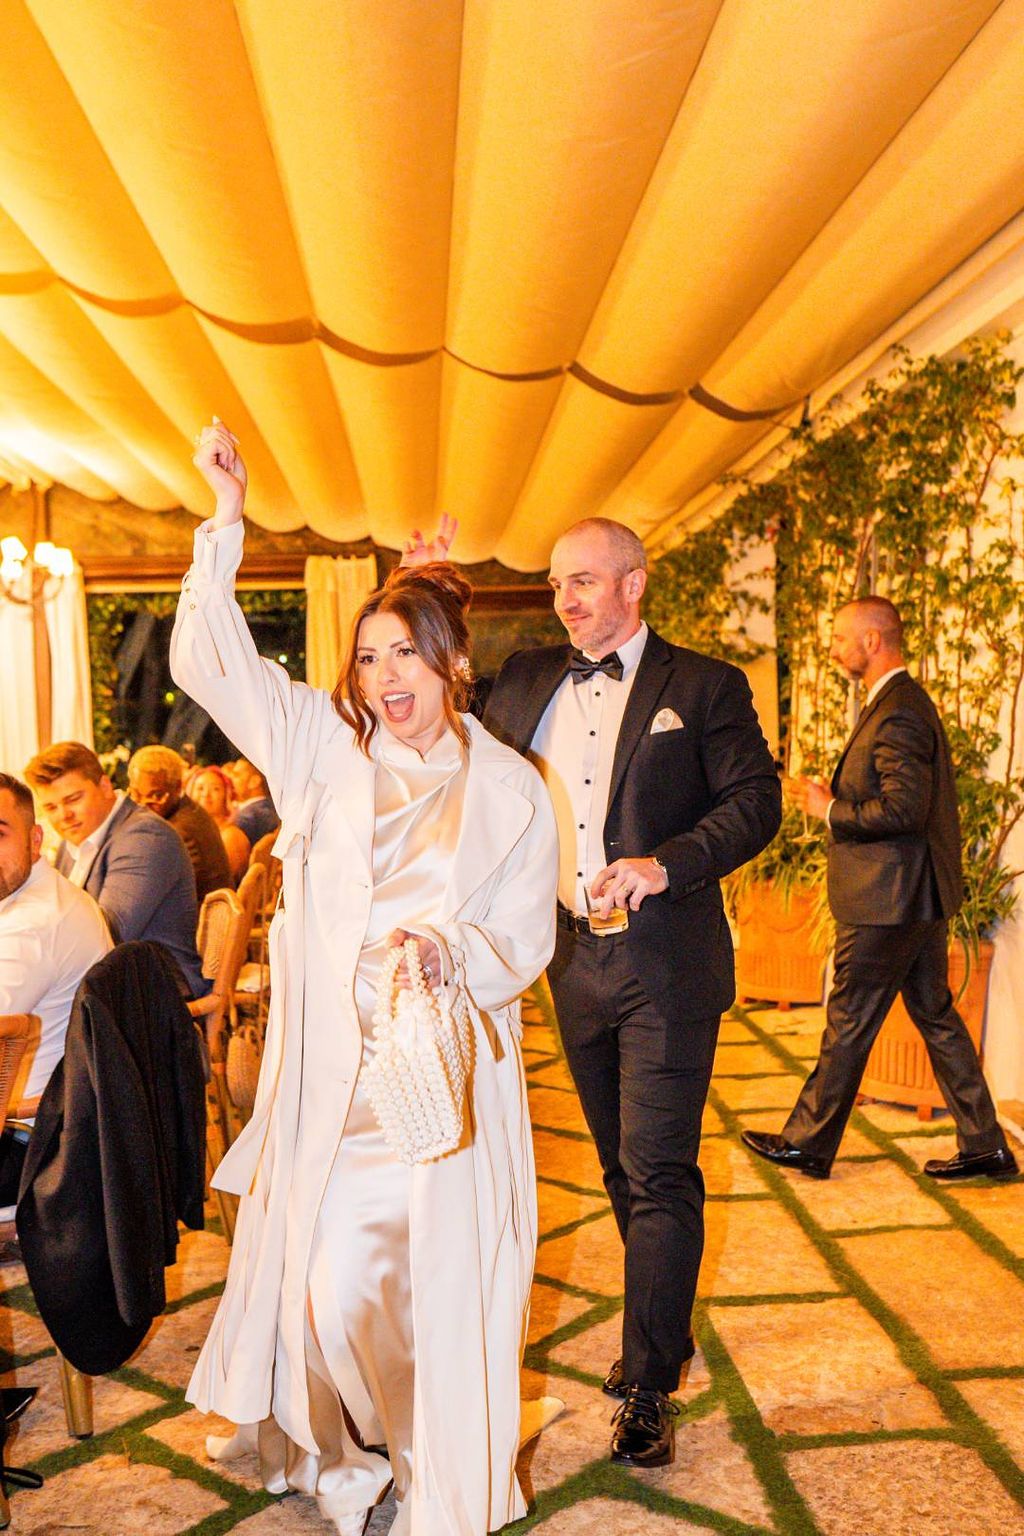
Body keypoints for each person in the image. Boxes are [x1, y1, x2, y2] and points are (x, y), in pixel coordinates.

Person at [170, 421, 558, 1536]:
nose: (383, 676)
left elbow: (523, 937)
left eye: (404, 653)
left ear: (452, 664)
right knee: (329, 1288)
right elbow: (213, 662)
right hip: (332, 1088)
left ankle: (435, 1474)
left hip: (440, 1087)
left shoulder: (512, 789)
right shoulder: (318, 749)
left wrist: (451, 952)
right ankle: (345, 1464)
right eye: (368, 654)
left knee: (434, 1296)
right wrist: (227, 520)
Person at [483, 518, 781, 1468]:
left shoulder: (703, 686)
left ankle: (648, 1381)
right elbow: (446, 768)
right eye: (557, 584)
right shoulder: (526, 679)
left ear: (634, 584)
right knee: (616, 1166)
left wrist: (667, 862)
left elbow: (756, 801)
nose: (566, 599)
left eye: (582, 581)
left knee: (659, 1171)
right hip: (571, 962)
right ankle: (665, 1323)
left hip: (667, 961)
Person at [742, 596, 1017, 1183]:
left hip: (888, 899)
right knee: (936, 1015)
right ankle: (985, 1143)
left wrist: (830, 808)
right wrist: (829, 796)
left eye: (840, 638)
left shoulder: (899, 710)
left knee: (849, 1018)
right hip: (907, 897)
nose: (833, 649)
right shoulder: (894, 703)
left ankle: (808, 1143)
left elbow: (904, 808)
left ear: (872, 641)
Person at [0, 773, 110, 1206]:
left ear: (35, 838)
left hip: (31, 1144)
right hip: (49, 1123)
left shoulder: (33, 925)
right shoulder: (34, 900)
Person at [24, 742, 206, 1000]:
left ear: (105, 786)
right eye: (51, 808)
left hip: (156, 994)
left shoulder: (144, 837)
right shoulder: (74, 841)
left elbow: (105, 934)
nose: (64, 815)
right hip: (105, 985)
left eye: (73, 799)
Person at [128, 745, 231, 902]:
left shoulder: (178, 831)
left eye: (155, 795)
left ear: (177, 787)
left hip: (198, 922)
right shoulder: (191, 810)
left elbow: (148, 894)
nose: (142, 804)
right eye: (135, 794)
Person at [186, 764, 250, 882]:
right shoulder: (198, 831)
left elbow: (222, 882)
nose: (206, 794)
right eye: (200, 788)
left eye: (215, 789)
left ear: (227, 796)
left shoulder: (230, 837)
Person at [226, 758, 279, 845]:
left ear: (254, 782)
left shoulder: (245, 818)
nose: (230, 778)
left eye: (236, 775)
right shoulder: (274, 807)